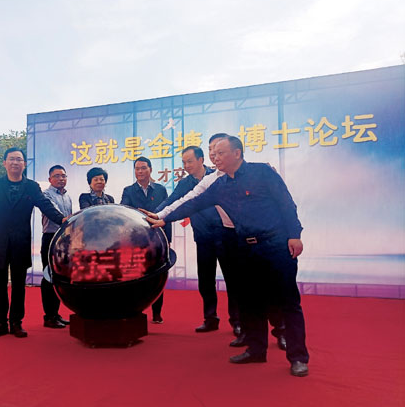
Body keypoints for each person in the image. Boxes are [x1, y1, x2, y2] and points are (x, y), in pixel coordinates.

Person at [147, 136, 309, 377]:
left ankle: (298, 357)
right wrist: (163, 218)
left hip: (275, 245)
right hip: (245, 247)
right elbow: (193, 203)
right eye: (213, 153)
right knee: (250, 301)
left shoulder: (262, 172)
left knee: (286, 301)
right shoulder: (219, 185)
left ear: (237, 153)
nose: (215, 157)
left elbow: (286, 203)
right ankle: (256, 349)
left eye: (220, 153)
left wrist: (294, 235)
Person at [152, 143, 241, 334]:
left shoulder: (217, 176)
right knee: (206, 280)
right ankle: (210, 318)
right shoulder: (185, 184)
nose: (186, 166)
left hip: (225, 236)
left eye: (190, 161)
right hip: (203, 237)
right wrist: (154, 214)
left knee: (232, 279)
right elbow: (173, 202)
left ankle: (237, 321)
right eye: (184, 162)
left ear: (201, 160)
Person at [0, 147, 65, 339]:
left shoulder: (31, 187)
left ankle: (16, 323)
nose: (15, 162)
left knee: (19, 285)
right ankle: (0, 323)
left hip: (21, 242)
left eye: (19, 159)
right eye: (11, 159)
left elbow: (45, 205)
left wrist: (62, 220)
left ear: (24, 164)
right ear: (5, 163)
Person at [120, 156, 172, 324]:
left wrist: (168, 239)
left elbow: (166, 214)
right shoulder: (128, 190)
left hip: (157, 238)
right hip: (136, 239)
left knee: (158, 274)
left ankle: (157, 312)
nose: (140, 171)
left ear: (150, 169)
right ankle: (135, 310)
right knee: (134, 276)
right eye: (137, 169)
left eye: (143, 168)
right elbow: (124, 211)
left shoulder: (160, 189)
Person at [40, 165, 72, 329]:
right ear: (50, 179)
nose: (61, 179)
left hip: (64, 239)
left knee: (60, 276)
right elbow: (54, 213)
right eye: (57, 176)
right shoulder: (46, 195)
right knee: (49, 276)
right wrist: (65, 220)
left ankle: (56, 313)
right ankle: (49, 316)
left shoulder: (68, 196)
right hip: (50, 238)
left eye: (63, 176)